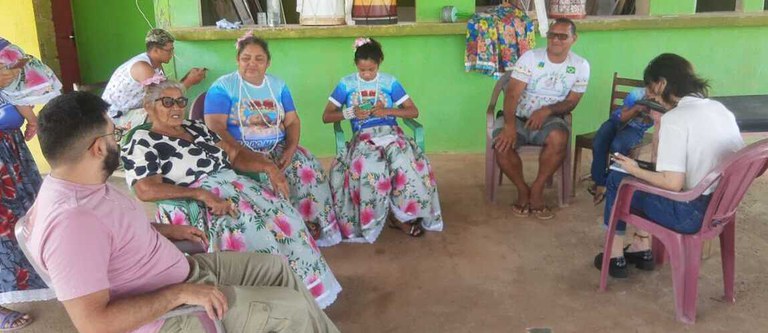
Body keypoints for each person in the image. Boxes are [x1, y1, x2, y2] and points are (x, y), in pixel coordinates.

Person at [27, 91, 340, 333]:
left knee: (278, 268)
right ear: (97, 148)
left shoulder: (87, 183)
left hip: (184, 271)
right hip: (171, 316)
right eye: (113, 135)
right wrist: (179, 294)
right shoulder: (71, 223)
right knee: (295, 308)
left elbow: (113, 236)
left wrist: (164, 231)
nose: (118, 142)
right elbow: (94, 323)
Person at [122, 80, 341, 308]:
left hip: (236, 186)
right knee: (254, 237)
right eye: (167, 102)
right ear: (149, 106)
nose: (176, 107)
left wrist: (269, 167)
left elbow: (234, 156)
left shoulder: (195, 128)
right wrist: (200, 194)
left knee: (289, 218)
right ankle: (269, 305)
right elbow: (145, 189)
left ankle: (308, 293)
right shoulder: (142, 142)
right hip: (195, 202)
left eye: (180, 101)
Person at [594, 53, 745, 278]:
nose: (649, 94)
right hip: (721, 207)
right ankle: (641, 248)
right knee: (640, 173)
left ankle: (614, 256)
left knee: (619, 178)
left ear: (661, 84)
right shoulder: (719, 109)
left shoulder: (677, 118)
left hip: (688, 213)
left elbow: (672, 183)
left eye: (650, 88)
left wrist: (633, 168)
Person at [204, 33, 341, 247]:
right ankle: (282, 231)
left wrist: (289, 149)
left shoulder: (277, 85)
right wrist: (246, 155)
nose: (252, 63)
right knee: (267, 179)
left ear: (268, 62)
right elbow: (215, 127)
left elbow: (293, 121)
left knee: (307, 167)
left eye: (259, 59)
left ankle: (310, 222)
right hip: (241, 152)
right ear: (237, 60)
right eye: (246, 58)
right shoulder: (224, 87)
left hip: (278, 147)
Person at [322, 37, 443, 242]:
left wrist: (386, 110)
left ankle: (401, 216)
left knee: (405, 165)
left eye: (371, 69)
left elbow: (413, 111)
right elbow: (327, 116)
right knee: (370, 169)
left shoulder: (390, 82)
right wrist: (351, 112)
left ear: (379, 63)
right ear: (356, 66)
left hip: (392, 133)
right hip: (364, 137)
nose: (367, 74)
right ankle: (373, 219)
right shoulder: (346, 84)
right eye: (362, 70)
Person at [492, 18, 590, 220]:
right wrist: (510, 126)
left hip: (551, 119)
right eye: (552, 35)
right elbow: (511, 95)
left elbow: (572, 102)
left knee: (559, 139)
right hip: (517, 116)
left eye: (562, 36)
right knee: (501, 144)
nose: (556, 40)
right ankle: (522, 190)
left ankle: (536, 190)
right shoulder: (530, 58)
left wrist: (546, 110)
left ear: (574, 39)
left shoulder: (580, 65)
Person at [0, 43, 62, 330]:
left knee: (29, 217)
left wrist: (31, 117)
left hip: (10, 147)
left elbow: (22, 79)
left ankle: (51, 277)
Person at [102, 28, 206, 131]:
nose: (172, 53)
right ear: (156, 50)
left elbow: (166, 90)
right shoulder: (143, 67)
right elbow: (165, 99)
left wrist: (187, 78)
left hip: (130, 111)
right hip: (115, 117)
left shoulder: (155, 64)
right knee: (162, 114)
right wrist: (189, 81)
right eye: (169, 50)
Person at [588, 87, 653, 205]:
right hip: (615, 121)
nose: (651, 93)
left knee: (618, 146)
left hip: (635, 129)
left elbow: (649, 123)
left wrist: (649, 113)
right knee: (599, 142)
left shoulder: (663, 100)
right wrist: (636, 108)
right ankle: (600, 182)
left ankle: (610, 183)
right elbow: (622, 117)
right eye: (649, 89)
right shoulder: (637, 94)